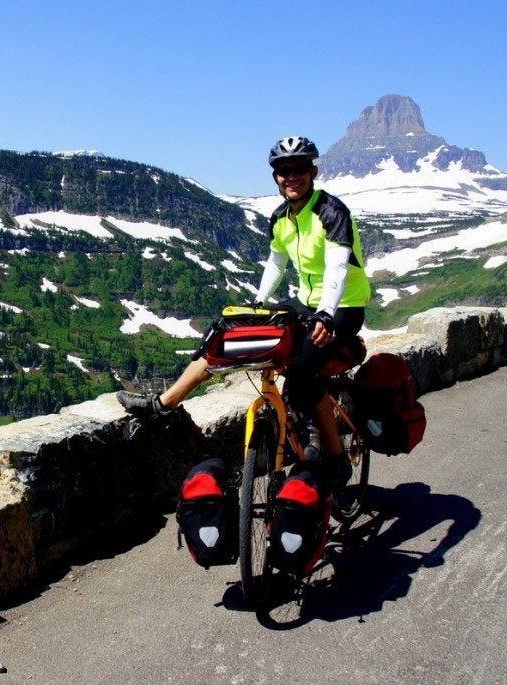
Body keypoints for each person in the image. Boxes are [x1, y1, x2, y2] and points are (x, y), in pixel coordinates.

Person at [117, 135, 371, 487]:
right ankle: (163, 405)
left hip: (342, 306)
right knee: (229, 337)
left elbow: (338, 267)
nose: (291, 175)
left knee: (299, 373)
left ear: (313, 172)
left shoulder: (331, 212)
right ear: (276, 177)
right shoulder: (281, 217)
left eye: (299, 168)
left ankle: (335, 457)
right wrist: (256, 304)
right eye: (284, 170)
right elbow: (276, 263)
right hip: (307, 304)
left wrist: (327, 314)